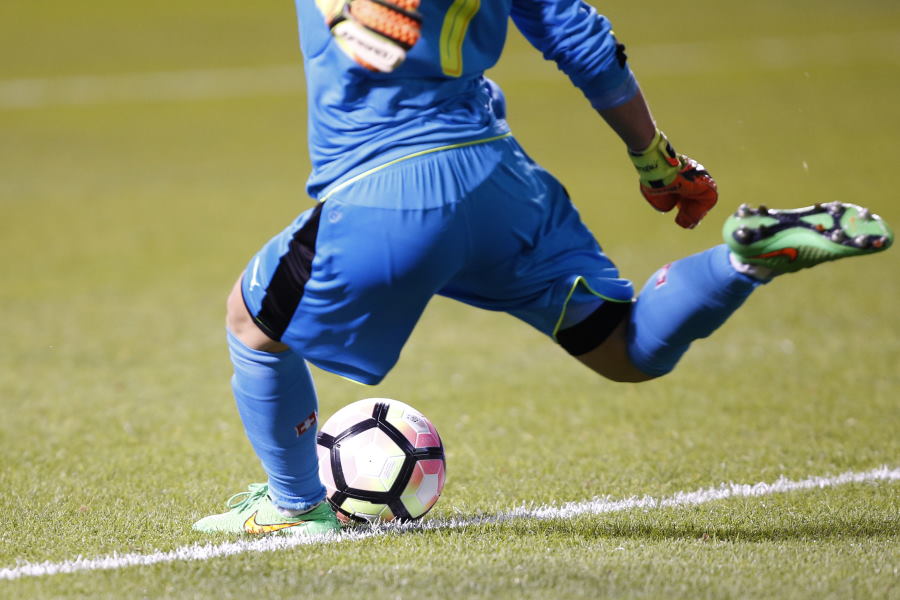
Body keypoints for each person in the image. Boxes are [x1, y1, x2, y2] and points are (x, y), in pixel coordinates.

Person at [193, 0, 893, 535]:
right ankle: (743, 260)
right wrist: (655, 159)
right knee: (625, 348)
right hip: (499, 179)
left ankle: (295, 506)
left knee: (252, 325)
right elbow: (582, 39)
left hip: (387, 188)